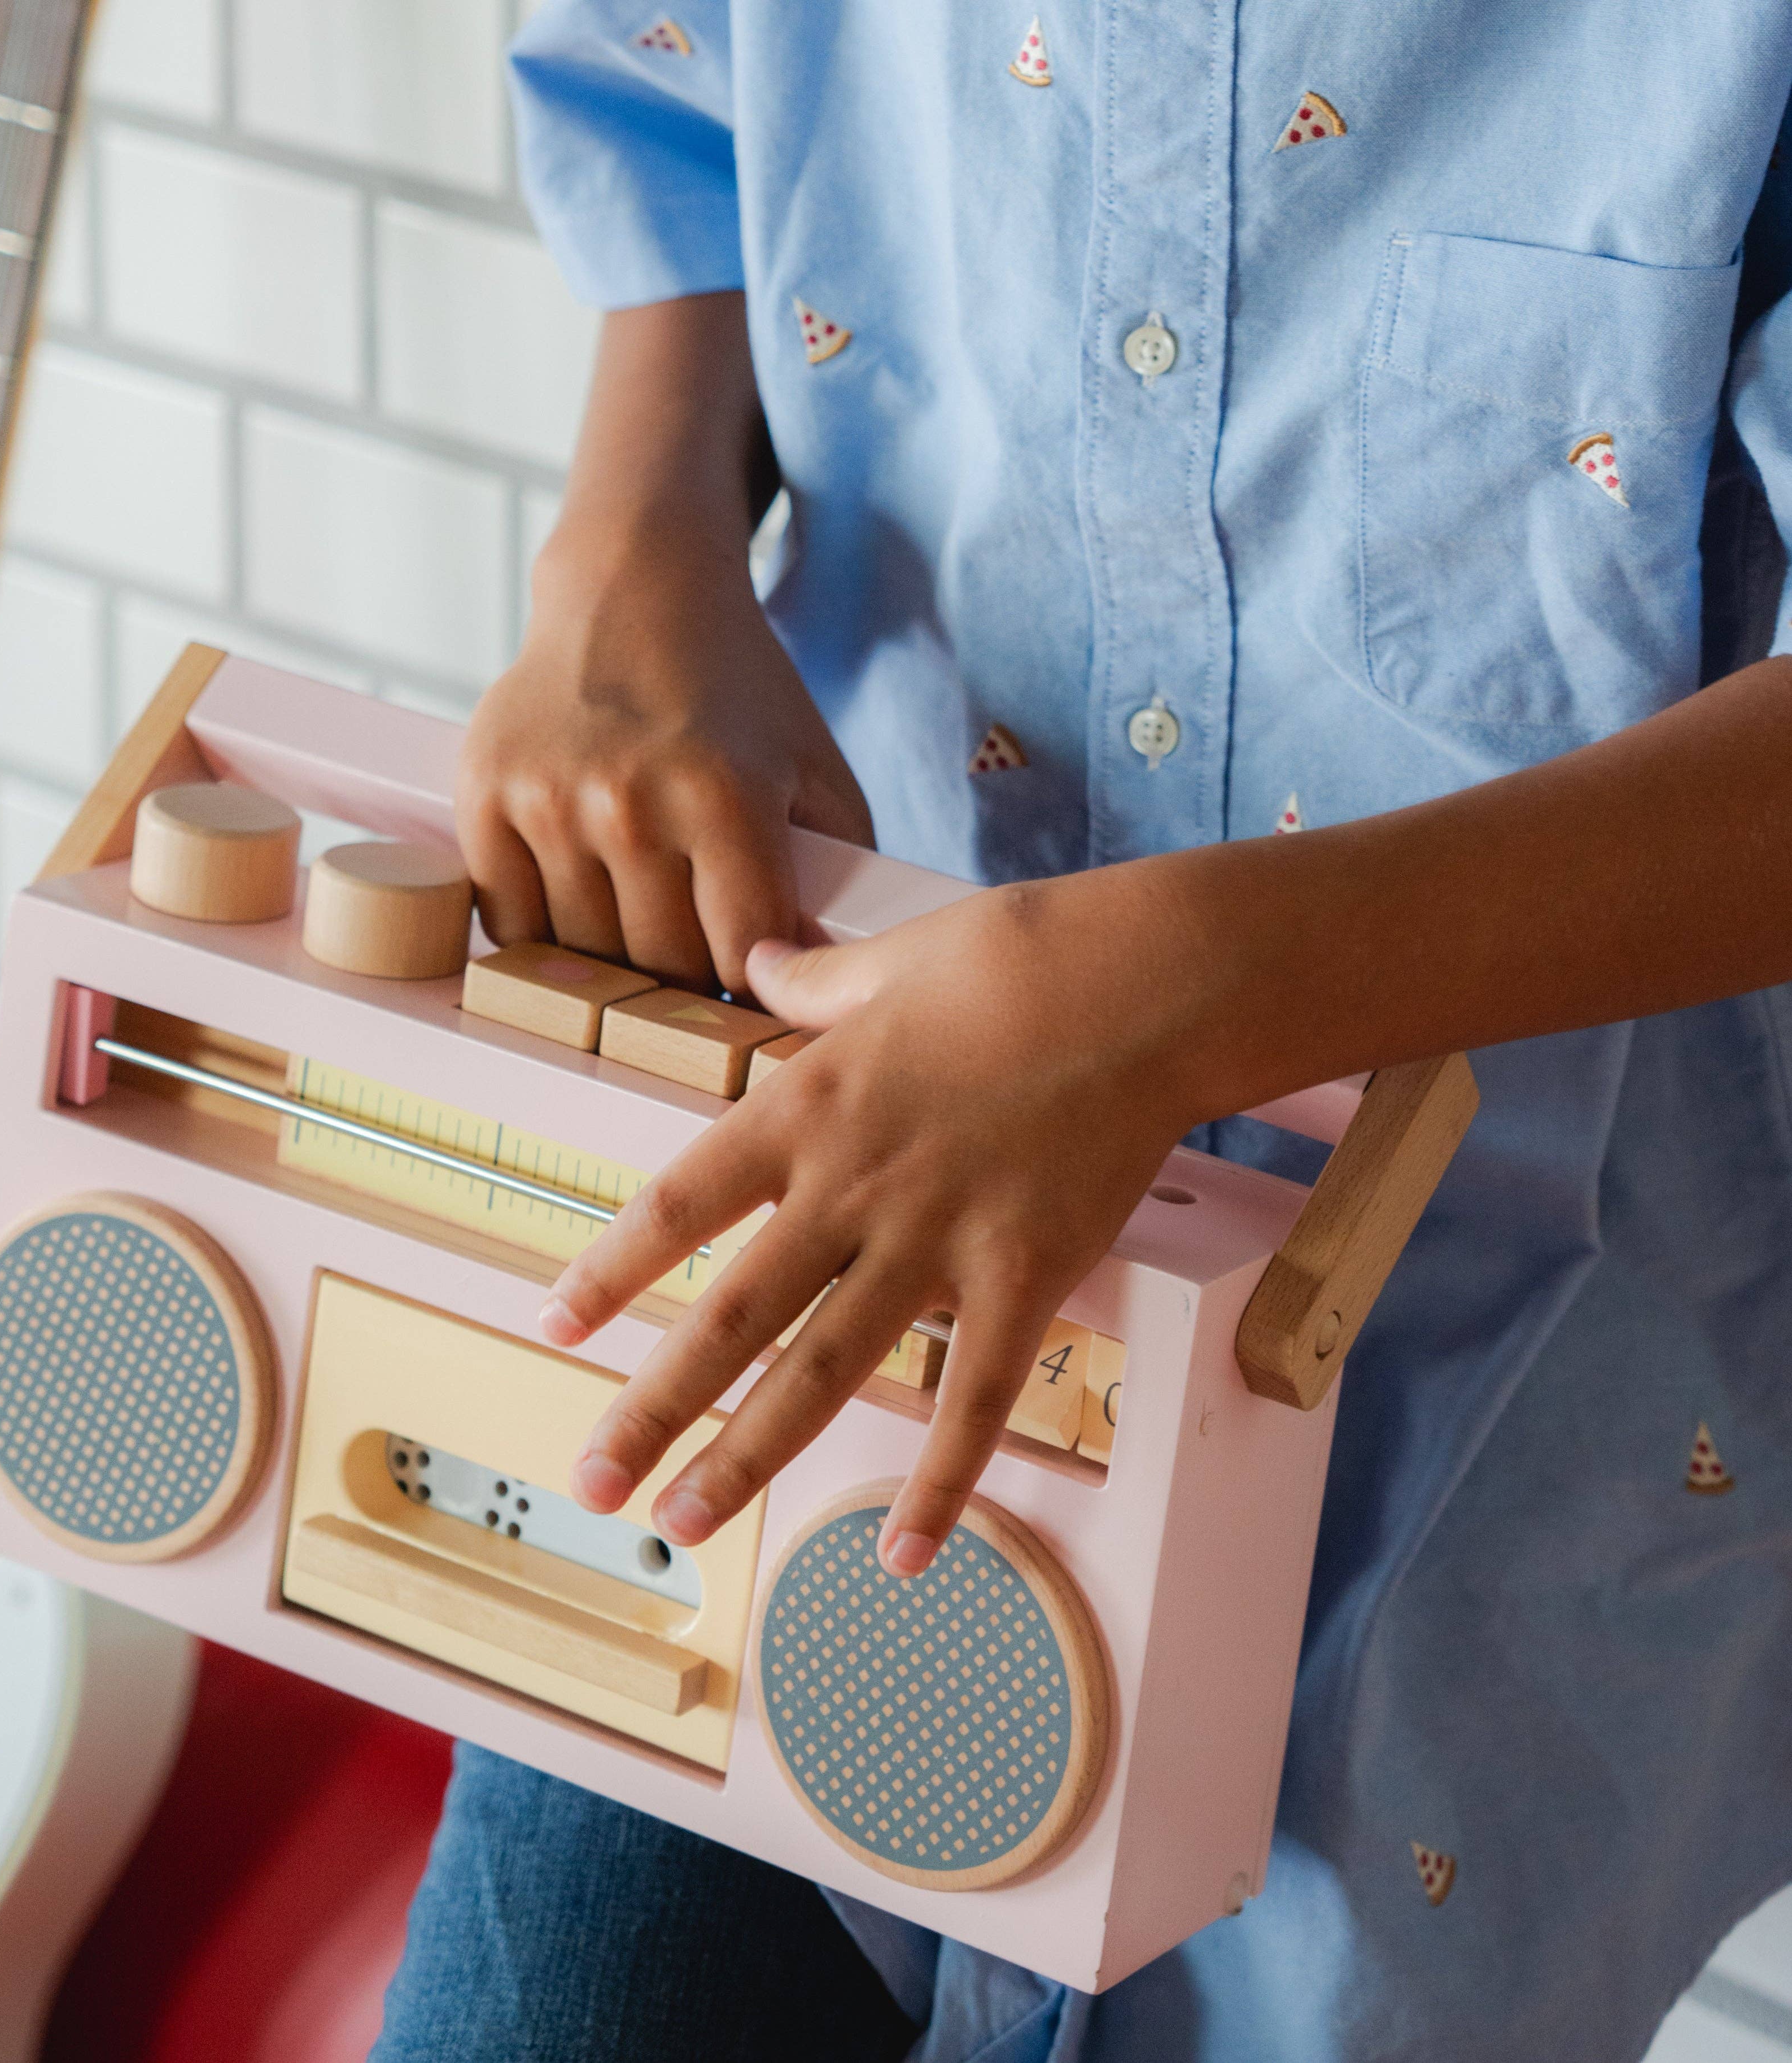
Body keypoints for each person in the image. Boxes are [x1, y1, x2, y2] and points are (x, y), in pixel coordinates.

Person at [373, 7, 1792, 2058]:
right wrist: (628, 545)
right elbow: (673, 81)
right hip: (803, 1253)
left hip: (1457, 1392)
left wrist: (1179, 999)